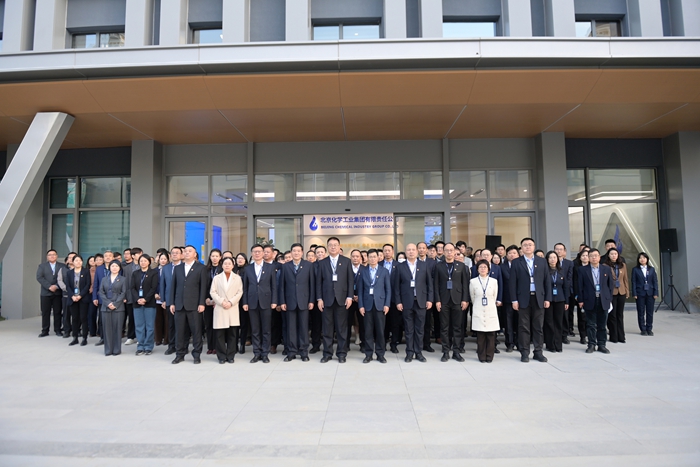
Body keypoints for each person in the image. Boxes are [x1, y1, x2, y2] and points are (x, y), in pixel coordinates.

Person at [509, 237, 552, 363]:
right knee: (523, 327)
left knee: (538, 326)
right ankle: (524, 352)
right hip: (523, 298)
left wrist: (547, 298)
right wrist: (514, 300)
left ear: (534, 247)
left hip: (538, 298)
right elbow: (512, 282)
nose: (528, 247)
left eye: (530, 245)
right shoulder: (516, 262)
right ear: (521, 248)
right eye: (525, 245)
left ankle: (538, 352)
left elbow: (547, 281)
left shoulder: (542, 261)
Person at [168, 245, 209, 364]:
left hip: (194, 305)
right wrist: (172, 303)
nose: (187, 253)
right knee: (180, 331)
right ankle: (179, 354)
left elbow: (203, 287)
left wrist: (201, 303)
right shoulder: (178, 268)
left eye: (190, 251)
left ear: (195, 254)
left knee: (196, 331)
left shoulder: (201, 268)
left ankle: (196, 355)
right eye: (185, 251)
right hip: (179, 305)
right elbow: (173, 286)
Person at [316, 237, 354, 363]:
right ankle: (327, 353)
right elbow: (319, 282)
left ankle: (342, 354)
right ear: (327, 247)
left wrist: (349, 297)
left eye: (335, 245)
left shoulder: (346, 261)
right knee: (327, 329)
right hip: (326, 300)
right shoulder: (322, 263)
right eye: (330, 245)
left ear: (339, 246)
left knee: (341, 329)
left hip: (342, 300)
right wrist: (319, 298)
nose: (333, 247)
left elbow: (350, 281)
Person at [394, 243, 433, 363]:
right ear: (405, 252)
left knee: (420, 329)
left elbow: (429, 284)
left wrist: (429, 299)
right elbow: (396, 287)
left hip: (421, 301)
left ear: (417, 251)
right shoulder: (400, 267)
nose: (411, 252)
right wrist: (398, 302)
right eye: (408, 250)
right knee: (409, 329)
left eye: (413, 250)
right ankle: (409, 352)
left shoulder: (424, 265)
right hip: (406, 302)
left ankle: (418, 352)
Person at [433, 243, 469, 362]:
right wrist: (437, 300)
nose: (449, 252)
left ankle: (456, 351)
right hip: (443, 300)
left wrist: (465, 299)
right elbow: (436, 285)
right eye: (447, 250)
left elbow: (465, 284)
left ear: (455, 252)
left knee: (457, 327)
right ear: (443, 252)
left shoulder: (461, 266)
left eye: (451, 250)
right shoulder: (438, 266)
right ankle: (445, 351)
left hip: (457, 300)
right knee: (444, 327)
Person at [279, 243, 315, 362]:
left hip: (304, 300)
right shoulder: (285, 266)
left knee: (304, 328)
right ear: (291, 252)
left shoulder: (308, 265)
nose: (296, 253)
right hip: (289, 301)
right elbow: (282, 286)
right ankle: (292, 352)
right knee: (291, 328)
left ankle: (304, 352)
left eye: (298, 251)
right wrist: (282, 301)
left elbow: (312, 284)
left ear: (302, 252)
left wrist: (311, 300)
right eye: (294, 251)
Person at [242, 244, 278, 364]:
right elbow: (245, 287)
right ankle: (256, 353)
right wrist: (245, 302)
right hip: (252, 302)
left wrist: (274, 301)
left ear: (263, 253)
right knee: (255, 330)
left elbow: (274, 286)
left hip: (266, 301)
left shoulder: (270, 267)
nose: (257, 253)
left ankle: (265, 353)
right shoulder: (248, 268)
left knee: (266, 329)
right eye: (254, 252)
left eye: (259, 251)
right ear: (251, 254)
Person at [357, 249, 391, 364]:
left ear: (378, 258)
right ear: (367, 258)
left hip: (380, 305)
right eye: (370, 257)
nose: (372, 259)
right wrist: (361, 306)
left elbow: (388, 289)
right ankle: (368, 354)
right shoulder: (363, 271)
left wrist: (387, 304)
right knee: (368, 331)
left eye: (374, 257)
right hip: (367, 306)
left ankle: (380, 354)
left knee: (380, 331)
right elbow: (360, 291)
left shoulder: (384, 271)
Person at [578, 249, 614, 354]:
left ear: (599, 257)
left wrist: (609, 298)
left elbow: (610, 285)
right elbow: (580, 286)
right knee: (590, 324)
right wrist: (580, 300)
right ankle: (591, 344)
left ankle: (602, 345)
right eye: (591, 256)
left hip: (603, 299)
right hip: (589, 299)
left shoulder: (606, 269)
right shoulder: (582, 270)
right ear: (588, 258)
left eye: (596, 255)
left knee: (602, 324)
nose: (594, 258)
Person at [210, 257, 243, 364]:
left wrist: (230, 302)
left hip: (232, 307)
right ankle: (221, 356)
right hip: (220, 307)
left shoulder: (237, 278)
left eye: (229, 263)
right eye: (225, 263)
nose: (227, 265)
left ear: (233, 265)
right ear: (222, 265)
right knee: (219, 334)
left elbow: (240, 292)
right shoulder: (217, 278)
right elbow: (213, 292)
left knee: (232, 334)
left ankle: (230, 355)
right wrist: (221, 301)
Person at [470, 260, 500, 363]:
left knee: (491, 335)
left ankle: (489, 356)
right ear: (477, 269)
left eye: (485, 267)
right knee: (481, 335)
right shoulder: (473, 281)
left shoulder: (493, 281)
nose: (483, 269)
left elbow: (494, 295)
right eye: (480, 267)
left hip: (490, 309)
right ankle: (481, 356)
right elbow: (472, 296)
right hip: (478, 308)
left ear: (488, 269)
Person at [98, 260, 127, 356]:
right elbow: (101, 292)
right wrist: (108, 303)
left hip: (118, 307)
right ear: (109, 267)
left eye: (116, 266)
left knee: (117, 328)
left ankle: (116, 349)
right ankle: (108, 349)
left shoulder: (123, 279)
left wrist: (115, 304)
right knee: (107, 329)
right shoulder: (104, 279)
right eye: (112, 266)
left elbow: (123, 293)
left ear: (119, 268)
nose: (114, 268)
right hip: (106, 307)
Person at [132, 254, 159, 356]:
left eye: (145, 261)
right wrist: (138, 299)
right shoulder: (135, 273)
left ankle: (148, 346)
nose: (143, 263)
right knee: (139, 326)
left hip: (149, 303)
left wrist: (146, 299)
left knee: (149, 326)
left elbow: (153, 287)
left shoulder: (153, 273)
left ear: (149, 262)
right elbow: (132, 288)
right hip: (137, 303)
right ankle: (140, 346)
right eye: (141, 261)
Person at [543, 251, 569, 353]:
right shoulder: (545, 271)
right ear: (547, 259)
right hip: (548, 299)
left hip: (560, 299)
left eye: (554, 257)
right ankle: (550, 345)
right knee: (549, 322)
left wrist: (566, 301)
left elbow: (566, 287)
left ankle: (558, 344)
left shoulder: (561, 271)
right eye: (550, 257)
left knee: (558, 322)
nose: (553, 259)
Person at [36, 249, 65, 337]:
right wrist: (49, 286)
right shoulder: (42, 266)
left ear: (57, 256)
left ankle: (58, 330)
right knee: (45, 312)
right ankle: (45, 330)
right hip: (45, 293)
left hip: (57, 293)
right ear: (47, 257)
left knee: (57, 312)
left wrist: (56, 286)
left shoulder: (62, 266)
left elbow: (64, 278)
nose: (52, 256)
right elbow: (39, 277)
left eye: (54, 254)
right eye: (50, 255)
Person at [379, 244, 401, 354]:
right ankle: (382, 343)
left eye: (389, 250)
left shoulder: (399, 265)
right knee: (383, 323)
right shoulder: (378, 265)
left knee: (395, 323)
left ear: (393, 251)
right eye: (385, 250)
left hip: (394, 299)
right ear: (383, 252)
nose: (387, 252)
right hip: (381, 299)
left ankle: (394, 344)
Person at [160, 247, 182, 355]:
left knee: (182, 326)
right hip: (169, 300)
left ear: (181, 255)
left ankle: (181, 346)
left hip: (182, 301)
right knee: (171, 325)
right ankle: (171, 346)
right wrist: (163, 300)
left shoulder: (184, 267)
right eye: (173, 253)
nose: (174, 254)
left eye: (177, 253)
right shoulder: (166, 268)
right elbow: (162, 284)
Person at [66, 255, 91, 346]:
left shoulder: (86, 271)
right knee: (74, 318)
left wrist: (80, 295)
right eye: (76, 260)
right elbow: (67, 286)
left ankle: (84, 338)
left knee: (83, 318)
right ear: (72, 262)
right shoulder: (69, 272)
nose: (78, 262)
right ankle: (75, 337)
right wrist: (72, 296)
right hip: (73, 298)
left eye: (80, 260)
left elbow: (88, 284)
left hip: (83, 298)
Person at [631, 252, 658, 336]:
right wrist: (634, 293)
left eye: (644, 258)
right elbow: (633, 282)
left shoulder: (651, 269)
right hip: (640, 293)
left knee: (650, 312)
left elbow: (655, 281)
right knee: (641, 312)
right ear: (638, 259)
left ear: (647, 259)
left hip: (650, 293)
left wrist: (656, 292)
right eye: (640, 258)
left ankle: (649, 328)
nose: (642, 259)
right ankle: (643, 329)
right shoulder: (635, 269)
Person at [605, 248, 629, 344]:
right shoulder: (605, 266)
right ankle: (613, 336)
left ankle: (621, 336)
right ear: (608, 255)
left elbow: (625, 279)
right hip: (611, 293)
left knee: (620, 314)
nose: (614, 255)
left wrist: (627, 291)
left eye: (615, 254)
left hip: (621, 292)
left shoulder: (623, 265)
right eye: (612, 254)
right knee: (612, 315)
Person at [554, 243, 575, 343]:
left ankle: (564, 335)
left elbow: (569, 278)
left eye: (561, 249)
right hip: (553, 291)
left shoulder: (569, 263)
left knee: (565, 315)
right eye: (557, 249)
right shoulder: (549, 261)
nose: (558, 251)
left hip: (565, 291)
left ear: (564, 251)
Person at [92, 250, 114, 346]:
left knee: (113, 319)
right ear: (103, 258)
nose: (108, 257)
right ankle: (102, 338)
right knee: (102, 319)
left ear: (113, 257)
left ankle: (112, 338)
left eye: (110, 256)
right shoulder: (99, 268)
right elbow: (95, 283)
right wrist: (94, 297)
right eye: (106, 256)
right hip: (101, 297)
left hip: (114, 297)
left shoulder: (116, 267)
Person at [204, 249, 223, 356]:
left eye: (217, 256)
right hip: (207, 301)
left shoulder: (222, 269)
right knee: (209, 325)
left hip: (219, 301)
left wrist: (216, 300)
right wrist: (206, 299)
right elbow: (202, 286)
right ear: (210, 257)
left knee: (218, 325)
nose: (214, 258)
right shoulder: (205, 269)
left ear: (220, 257)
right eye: (213, 256)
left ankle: (217, 346)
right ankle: (210, 346)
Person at [501, 245, 519, 352]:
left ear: (518, 254)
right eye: (510, 253)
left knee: (520, 322)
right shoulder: (502, 267)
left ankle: (519, 343)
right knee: (508, 322)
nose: (512, 255)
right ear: (506, 255)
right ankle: (510, 343)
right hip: (507, 299)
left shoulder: (523, 266)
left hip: (521, 299)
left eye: (514, 253)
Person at [122, 247, 142, 346]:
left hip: (141, 296)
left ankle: (140, 337)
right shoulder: (126, 268)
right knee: (131, 318)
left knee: (140, 318)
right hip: (130, 296)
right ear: (133, 256)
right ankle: (130, 337)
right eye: (138, 254)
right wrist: (125, 296)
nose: (140, 256)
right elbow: (124, 283)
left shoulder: (144, 265)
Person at [347, 249, 366, 353]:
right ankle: (346, 345)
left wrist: (359, 296)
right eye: (353, 256)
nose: (355, 258)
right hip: (348, 300)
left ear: (361, 258)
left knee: (362, 323)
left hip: (361, 300)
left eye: (357, 256)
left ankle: (363, 345)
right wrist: (350, 296)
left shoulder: (365, 269)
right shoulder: (346, 268)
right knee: (347, 323)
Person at [309, 245, 326, 354]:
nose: (320, 254)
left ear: (325, 253)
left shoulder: (329, 264)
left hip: (329, 298)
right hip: (315, 298)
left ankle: (328, 345)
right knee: (316, 323)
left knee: (328, 323)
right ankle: (315, 344)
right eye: (318, 252)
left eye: (322, 252)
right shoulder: (311, 266)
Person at [572, 249, 590, 345]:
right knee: (582, 316)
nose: (585, 257)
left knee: (590, 317)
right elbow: (575, 282)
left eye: (587, 255)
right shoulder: (577, 268)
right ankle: (582, 336)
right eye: (583, 255)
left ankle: (589, 335)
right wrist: (577, 294)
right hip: (581, 295)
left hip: (591, 295)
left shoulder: (593, 267)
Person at [235, 253, 250, 353]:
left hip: (244, 300)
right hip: (233, 301)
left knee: (244, 324)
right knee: (234, 325)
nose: (240, 260)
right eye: (238, 258)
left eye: (242, 258)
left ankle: (242, 345)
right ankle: (234, 345)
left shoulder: (248, 270)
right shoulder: (233, 269)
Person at [58, 252, 76, 337]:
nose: (71, 259)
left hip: (77, 296)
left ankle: (77, 330)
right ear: (67, 259)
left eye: (73, 257)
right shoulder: (62, 269)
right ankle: (67, 330)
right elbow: (60, 280)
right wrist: (67, 289)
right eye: (70, 257)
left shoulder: (81, 269)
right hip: (66, 295)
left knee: (77, 314)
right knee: (66, 314)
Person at [154, 251, 170, 347]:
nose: (163, 261)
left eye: (165, 259)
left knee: (167, 319)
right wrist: (155, 293)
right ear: (158, 260)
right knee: (157, 319)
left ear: (168, 260)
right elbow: (152, 283)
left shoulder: (170, 269)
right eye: (161, 259)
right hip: (156, 298)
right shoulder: (154, 270)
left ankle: (167, 339)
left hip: (167, 297)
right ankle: (158, 339)